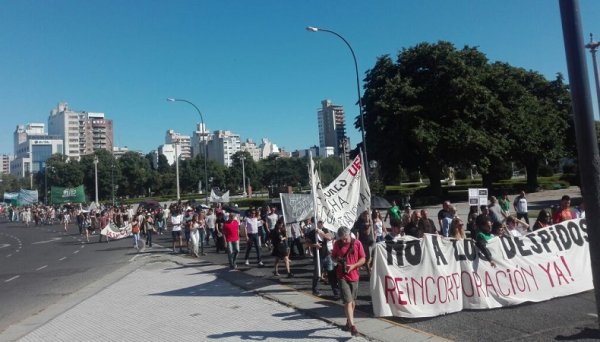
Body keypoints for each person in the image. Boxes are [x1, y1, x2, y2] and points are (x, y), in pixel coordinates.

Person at [331, 226, 366, 337]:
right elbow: (333, 257)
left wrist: (354, 266)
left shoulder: (357, 243)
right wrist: (338, 260)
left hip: (354, 275)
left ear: (349, 234)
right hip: (342, 276)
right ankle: (353, 327)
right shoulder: (337, 244)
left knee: (353, 302)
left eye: (345, 238)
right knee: (348, 301)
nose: (344, 241)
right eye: (342, 239)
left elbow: (363, 259)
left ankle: (348, 322)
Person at [305, 220, 334, 296]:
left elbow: (329, 238)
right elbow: (307, 243)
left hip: (327, 255)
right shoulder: (312, 232)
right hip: (318, 256)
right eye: (319, 222)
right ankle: (315, 290)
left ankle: (336, 292)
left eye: (322, 223)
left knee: (331, 273)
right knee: (317, 273)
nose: (321, 224)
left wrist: (321, 233)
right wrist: (315, 245)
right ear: (316, 223)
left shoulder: (325, 230)